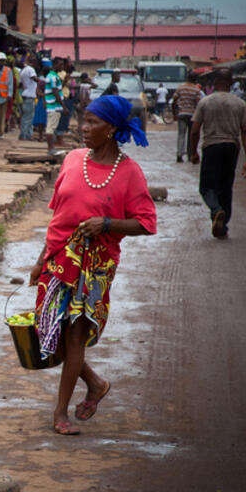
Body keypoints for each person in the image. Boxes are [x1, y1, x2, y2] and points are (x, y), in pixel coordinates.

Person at [30, 94, 156, 436]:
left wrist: (107, 223)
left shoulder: (129, 173)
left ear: (112, 129)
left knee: (74, 337)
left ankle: (60, 411)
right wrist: (41, 259)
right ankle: (95, 383)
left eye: (92, 122)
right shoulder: (72, 160)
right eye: (83, 121)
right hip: (58, 260)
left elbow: (146, 223)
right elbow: (59, 215)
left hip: (95, 268)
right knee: (48, 330)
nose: (83, 128)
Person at [189, 68, 246, 239]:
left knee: (207, 187)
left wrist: (193, 152)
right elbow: (245, 131)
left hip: (212, 146)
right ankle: (223, 224)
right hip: (232, 147)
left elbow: (194, 130)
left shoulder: (206, 102)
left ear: (214, 83)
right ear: (231, 83)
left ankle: (216, 211)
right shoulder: (240, 104)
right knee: (225, 187)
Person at [172, 71, 204, 163]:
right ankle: (191, 155)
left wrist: (174, 113)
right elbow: (198, 103)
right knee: (191, 135)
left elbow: (174, 100)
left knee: (181, 134)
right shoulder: (196, 90)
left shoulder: (180, 88)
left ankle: (179, 154)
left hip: (182, 114)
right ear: (195, 80)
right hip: (192, 115)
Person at [43, 58, 64, 152]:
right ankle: (50, 148)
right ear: (55, 64)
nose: (62, 67)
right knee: (50, 128)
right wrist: (64, 106)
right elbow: (55, 92)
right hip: (54, 105)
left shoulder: (53, 76)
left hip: (53, 106)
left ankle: (51, 148)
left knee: (51, 127)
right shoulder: (52, 77)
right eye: (61, 65)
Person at [18, 56, 38, 140]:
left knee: (25, 117)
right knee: (28, 117)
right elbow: (34, 78)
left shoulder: (23, 70)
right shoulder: (31, 70)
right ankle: (25, 135)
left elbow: (20, 83)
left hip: (25, 94)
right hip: (30, 96)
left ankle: (26, 134)